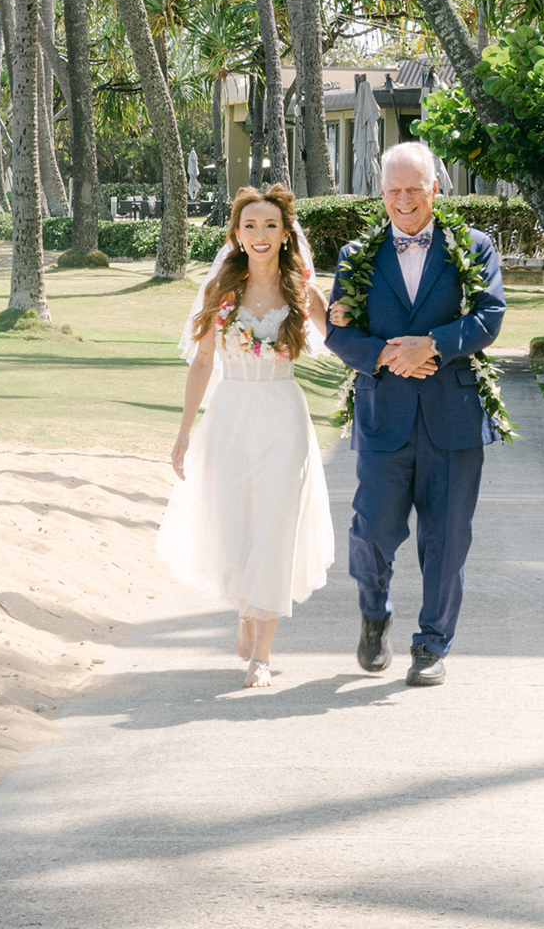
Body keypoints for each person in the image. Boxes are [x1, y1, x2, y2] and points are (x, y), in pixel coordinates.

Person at [326, 143, 505, 687]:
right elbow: (338, 330)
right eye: (394, 189)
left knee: (447, 539)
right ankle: (374, 613)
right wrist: (386, 354)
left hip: (453, 419)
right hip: (385, 417)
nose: (404, 199)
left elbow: (489, 316)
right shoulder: (357, 255)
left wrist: (431, 344)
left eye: (414, 188)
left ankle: (432, 645)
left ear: (434, 188)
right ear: (381, 193)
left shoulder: (472, 247)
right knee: (371, 531)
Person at [157, 184, 334, 689]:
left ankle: (262, 654)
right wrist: (184, 433)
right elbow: (204, 361)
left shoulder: (302, 291)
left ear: (285, 234)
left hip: (283, 417)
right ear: (236, 234)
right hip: (229, 416)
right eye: (251, 226)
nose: (261, 234)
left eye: (271, 226)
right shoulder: (221, 293)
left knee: (275, 528)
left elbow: (344, 337)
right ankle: (245, 608)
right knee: (235, 530)